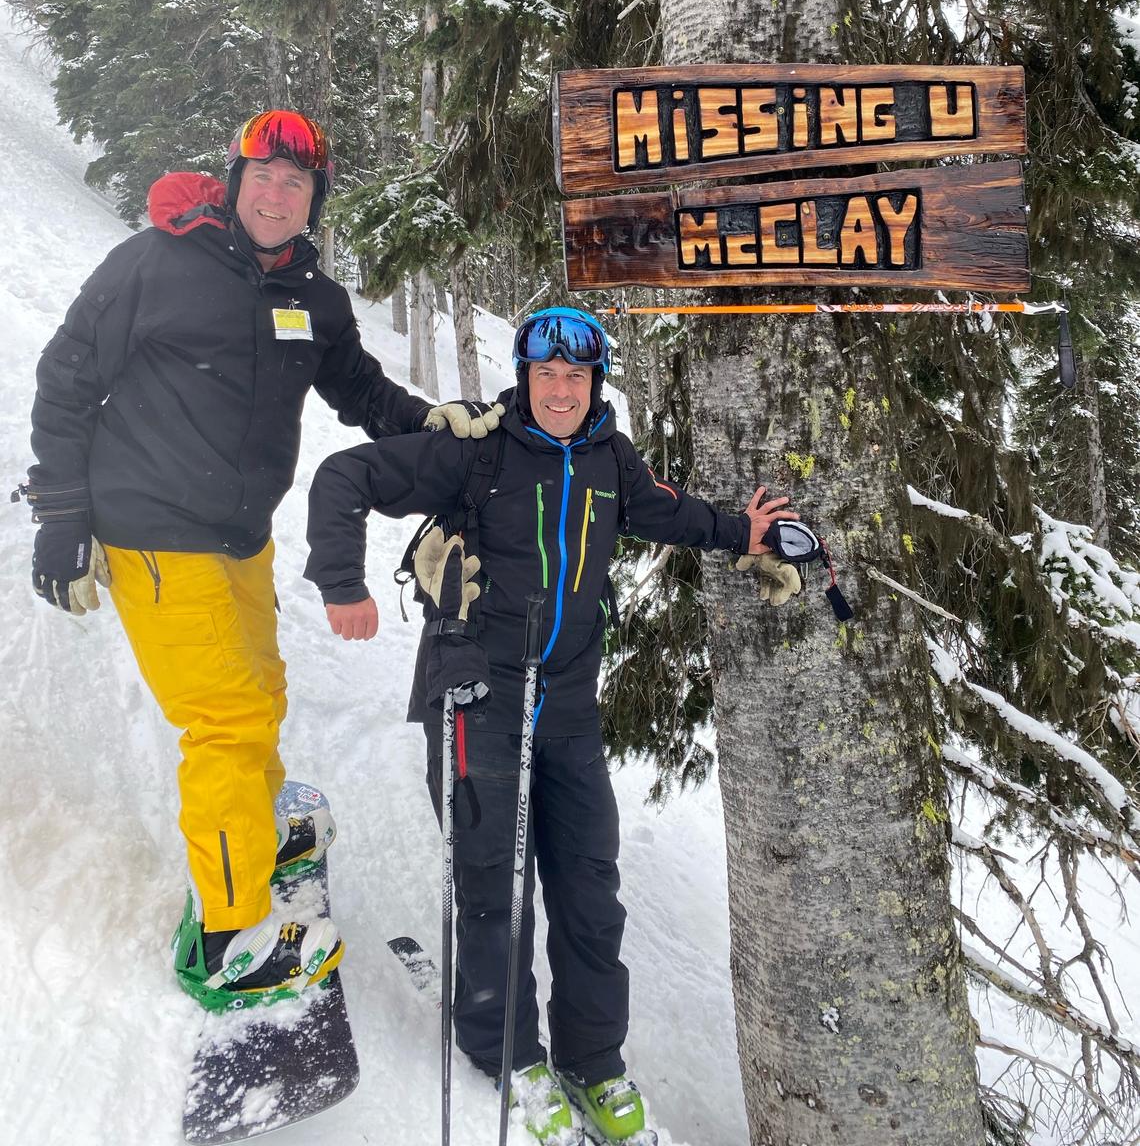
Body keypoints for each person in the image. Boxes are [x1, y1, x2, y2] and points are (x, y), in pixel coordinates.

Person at [21, 108, 503, 1010]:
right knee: (228, 724)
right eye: (263, 177)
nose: (277, 196)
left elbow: (357, 386)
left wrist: (428, 422)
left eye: (297, 183)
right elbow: (67, 378)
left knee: (263, 689)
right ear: (235, 180)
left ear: (314, 200)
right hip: (154, 532)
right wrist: (60, 516)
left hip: (239, 537)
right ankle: (231, 934)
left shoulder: (310, 295)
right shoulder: (155, 263)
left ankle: (257, 828)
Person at [303, 304, 801, 1142]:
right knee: (495, 885)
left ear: (595, 381)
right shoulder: (479, 451)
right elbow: (345, 478)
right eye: (546, 375)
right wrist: (341, 583)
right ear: (525, 377)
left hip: (567, 701)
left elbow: (662, 512)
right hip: (476, 693)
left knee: (589, 888)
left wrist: (743, 532)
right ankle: (507, 1055)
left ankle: (592, 1059)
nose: (562, 390)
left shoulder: (609, 454)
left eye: (576, 376)